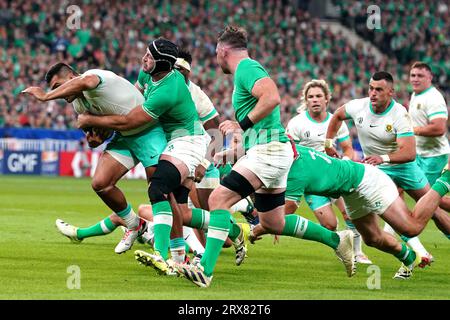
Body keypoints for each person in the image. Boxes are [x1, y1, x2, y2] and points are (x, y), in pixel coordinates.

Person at [177, 25, 355, 288]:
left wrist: (240, 125)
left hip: (270, 152)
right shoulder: (246, 72)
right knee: (272, 221)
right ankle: (337, 240)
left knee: (217, 198)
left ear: (222, 50)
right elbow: (264, 125)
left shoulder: (247, 69)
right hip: (272, 150)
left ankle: (205, 269)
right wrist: (233, 152)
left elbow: (272, 98)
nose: (216, 58)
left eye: (216, 53)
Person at [77, 38, 249, 276]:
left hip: (193, 148)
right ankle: (225, 235)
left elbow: (132, 121)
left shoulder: (184, 92)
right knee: (181, 210)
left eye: (186, 70)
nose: (182, 73)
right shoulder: (150, 77)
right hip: (174, 145)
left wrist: (204, 162)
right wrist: (103, 132)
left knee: (161, 189)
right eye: (180, 68)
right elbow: (130, 108)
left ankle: (166, 254)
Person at [251, 144, 450, 279]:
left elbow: (290, 207)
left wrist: (260, 227)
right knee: (372, 239)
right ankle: (409, 258)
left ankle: (445, 179)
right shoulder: (293, 153)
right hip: (350, 189)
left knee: (412, 227)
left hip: (366, 180)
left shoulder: (295, 170)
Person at [22, 62, 159, 253]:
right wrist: (95, 139)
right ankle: (135, 225)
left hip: (150, 132)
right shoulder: (79, 104)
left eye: (57, 86)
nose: (59, 93)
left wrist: (46, 97)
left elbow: (86, 81)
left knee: (159, 195)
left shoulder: (93, 75)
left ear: (70, 78)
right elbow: (103, 131)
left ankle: (178, 250)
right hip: (125, 137)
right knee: (101, 183)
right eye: (53, 90)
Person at [325, 71, 435, 268]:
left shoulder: (400, 113)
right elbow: (338, 115)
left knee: (434, 206)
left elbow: (409, 152)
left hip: (402, 166)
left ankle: (442, 187)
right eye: (370, 88)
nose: (373, 93)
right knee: (381, 227)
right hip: (377, 170)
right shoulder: (359, 106)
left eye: (378, 89)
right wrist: (328, 142)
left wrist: (382, 158)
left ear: (391, 92)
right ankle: (418, 252)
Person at [286, 79, 372, 264]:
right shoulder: (296, 123)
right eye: (310, 97)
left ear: (327, 99)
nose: (314, 100)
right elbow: (290, 154)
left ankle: (358, 252)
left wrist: (345, 163)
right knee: (329, 225)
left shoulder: (336, 121)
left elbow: (348, 148)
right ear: (306, 100)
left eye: (318, 96)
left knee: (350, 214)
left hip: (334, 176)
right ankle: (340, 244)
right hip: (311, 181)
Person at [408, 61, 450, 240]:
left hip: (435, 157)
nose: (415, 79)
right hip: (420, 155)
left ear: (430, 78)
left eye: (420, 76)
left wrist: (413, 130)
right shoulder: (415, 95)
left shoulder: (433, 98)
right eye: (413, 75)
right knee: (429, 200)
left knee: (429, 201)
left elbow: (440, 128)